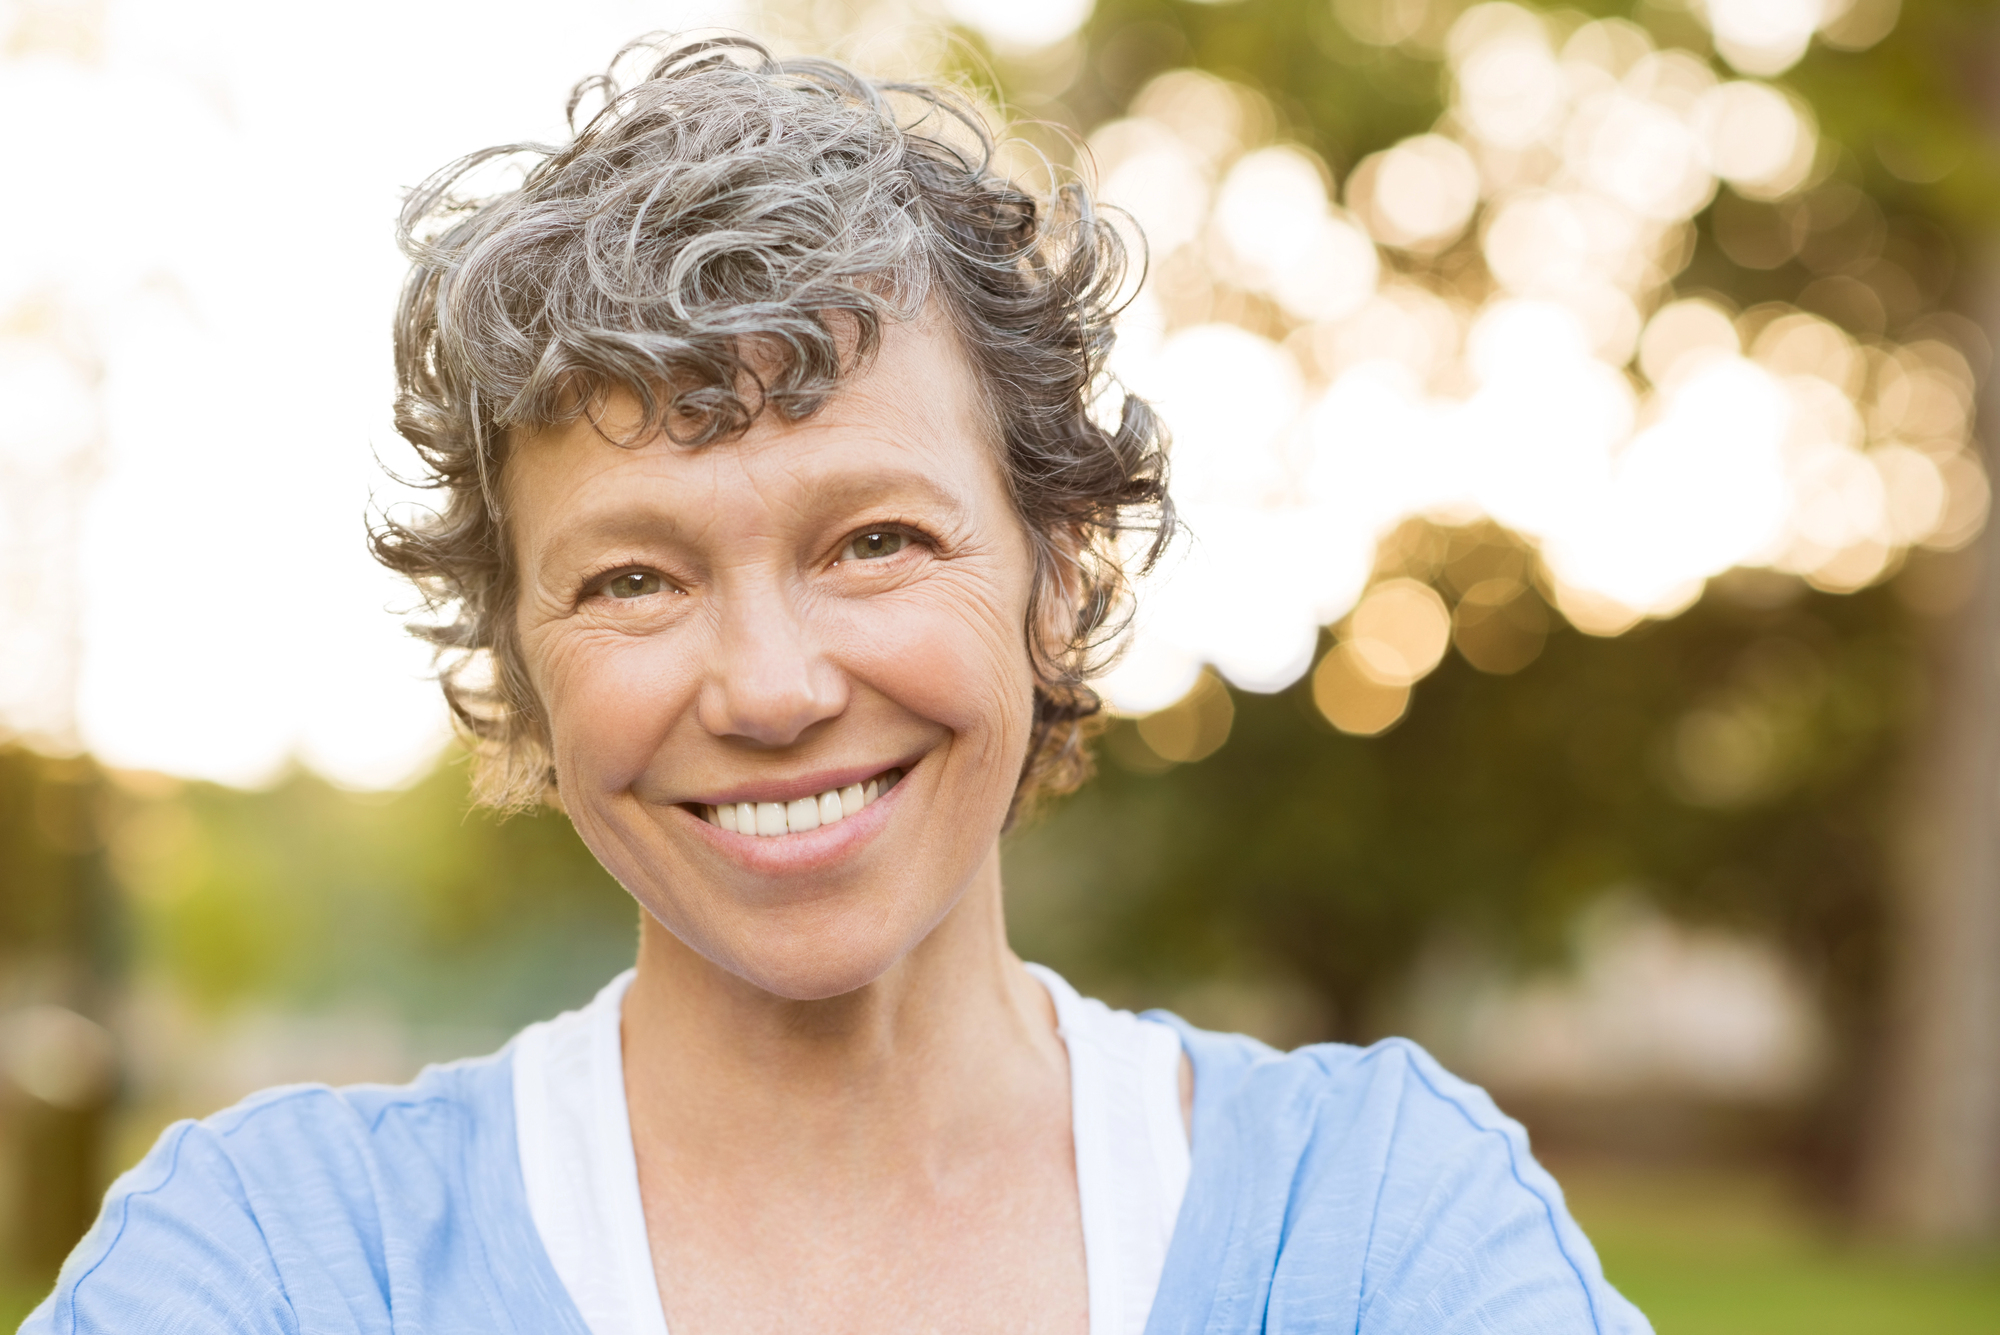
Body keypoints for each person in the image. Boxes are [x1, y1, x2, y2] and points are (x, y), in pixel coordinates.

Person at [28, 36, 1649, 1335]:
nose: (771, 686)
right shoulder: (287, 1266)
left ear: (1060, 574)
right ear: (517, 662)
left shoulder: (1374, 1224)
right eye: (633, 580)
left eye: (874, 541)